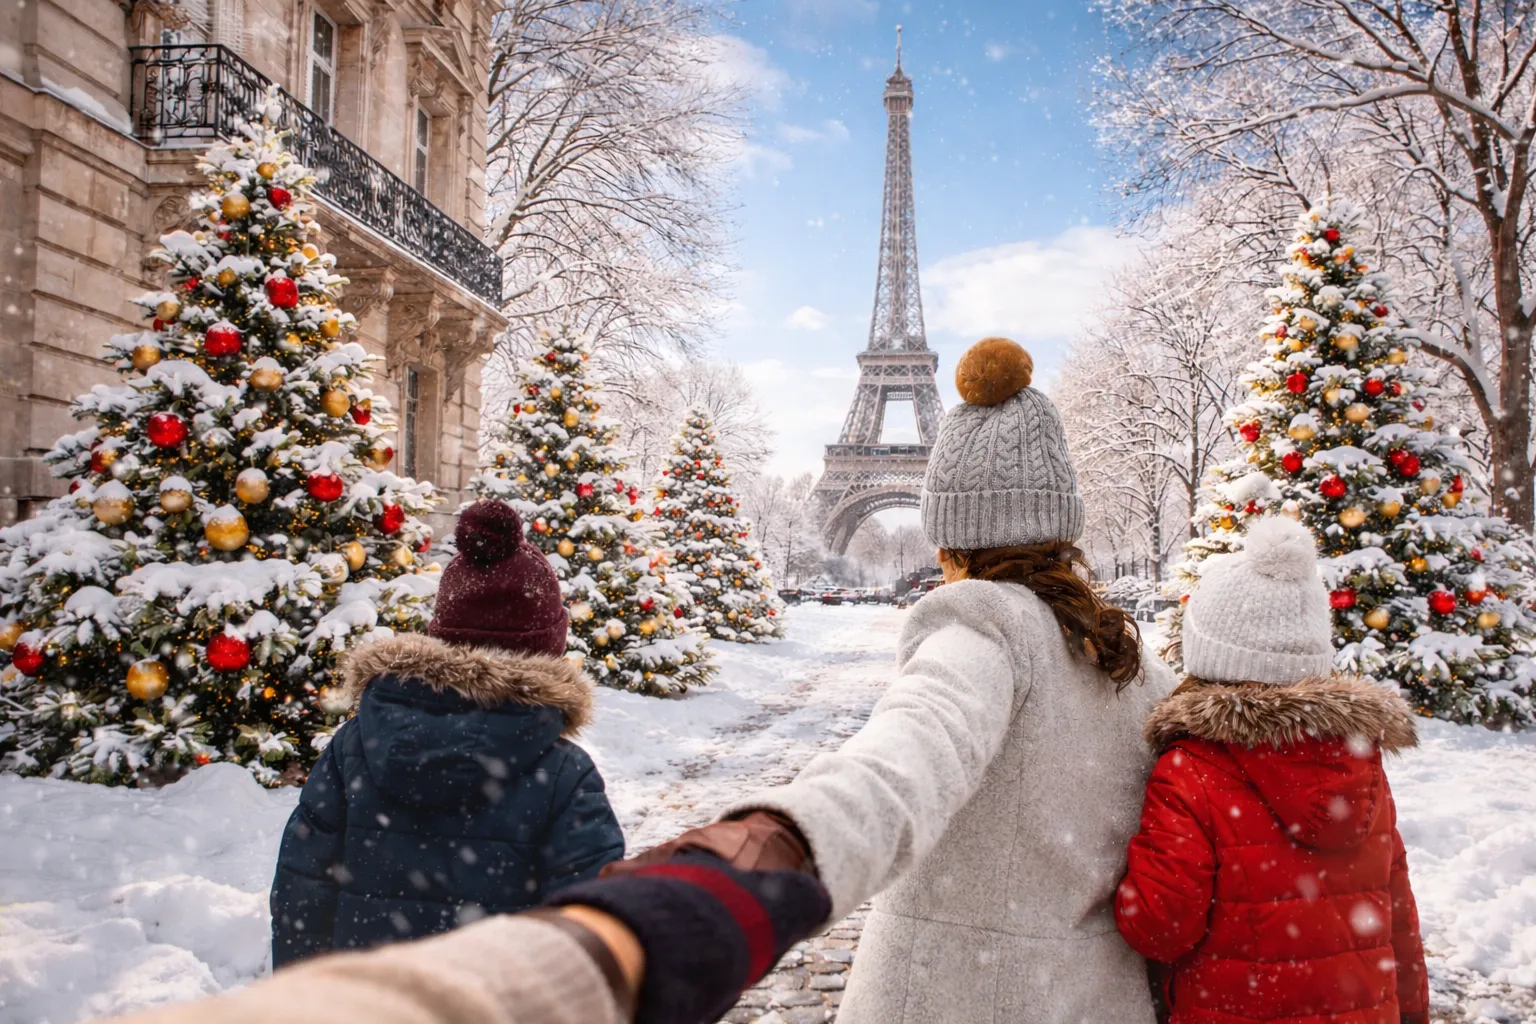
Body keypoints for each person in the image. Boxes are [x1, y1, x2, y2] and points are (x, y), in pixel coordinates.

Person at [609, 337, 1177, 1023]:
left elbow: (898, 764)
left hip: (966, 999)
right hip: (1097, 1002)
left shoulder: (985, 633)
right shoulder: (1130, 662)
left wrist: (745, 862)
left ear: (953, 540)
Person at [270, 499, 624, 967]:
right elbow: (589, 929)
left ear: (441, 632)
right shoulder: (563, 771)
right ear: (549, 646)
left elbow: (303, 888)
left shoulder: (355, 745)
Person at [1113, 516, 1429, 1024]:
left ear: (1208, 653)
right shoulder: (1358, 760)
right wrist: (1412, 1010)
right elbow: (1399, 917)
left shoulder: (1190, 769)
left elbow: (1160, 928)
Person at [109, 850, 832, 1024]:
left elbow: (301, 878)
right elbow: (593, 879)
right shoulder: (561, 766)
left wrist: (298, 967)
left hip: (353, 975)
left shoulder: (354, 743)